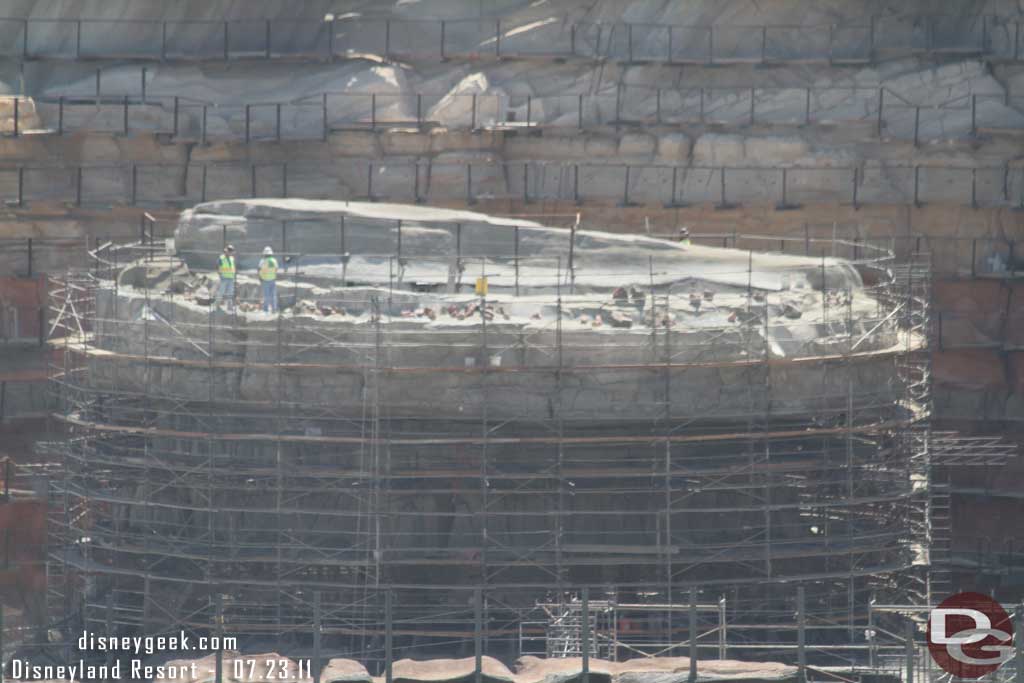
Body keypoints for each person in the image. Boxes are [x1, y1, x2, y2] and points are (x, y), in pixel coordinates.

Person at [258, 246, 279, 313]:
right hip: (272, 279)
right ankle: (274, 309)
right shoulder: (274, 260)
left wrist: (260, 278)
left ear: (264, 254)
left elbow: (259, 269)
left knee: (266, 295)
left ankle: (265, 310)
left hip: (265, 280)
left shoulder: (262, 261)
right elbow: (276, 269)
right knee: (273, 295)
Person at [215, 245, 236, 310]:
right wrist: (220, 275)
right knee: (221, 291)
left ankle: (229, 306)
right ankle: (217, 304)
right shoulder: (221, 258)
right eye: (230, 251)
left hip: (231, 278)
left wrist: (234, 276)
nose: (231, 253)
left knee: (230, 292)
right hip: (224, 277)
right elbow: (217, 267)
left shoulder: (232, 258)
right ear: (227, 251)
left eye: (231, 252)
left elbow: (233, 267)